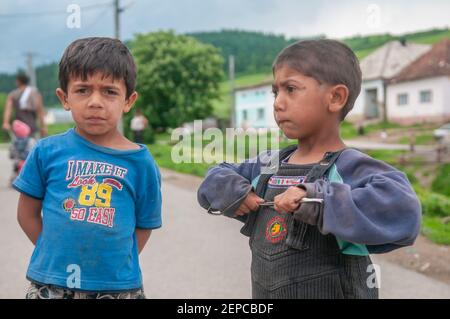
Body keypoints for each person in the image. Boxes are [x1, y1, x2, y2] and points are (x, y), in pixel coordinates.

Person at [197, 39, 421, 299]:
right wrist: (233, 192)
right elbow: (215, 177)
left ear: (335, 97)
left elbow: (404, 210)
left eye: (291, 89)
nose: (278, 103)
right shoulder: (268, 166)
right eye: (275, 92)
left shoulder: (349, 167)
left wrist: (317, 199)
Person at [12, 37, 162, 299]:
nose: (95, 102)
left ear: (128, 100)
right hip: (52, 284)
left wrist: (110, 264)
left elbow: (144, 224)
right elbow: (27, 214)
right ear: (64, 97)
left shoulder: (141, 162)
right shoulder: (46, 152)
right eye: (82, 90)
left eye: (109, 91)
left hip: (117, 288)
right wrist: (56, 253)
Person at [2, 73, 47, 138]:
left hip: (19, 128)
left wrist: (6, 122)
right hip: (32, 127)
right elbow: (40, 111)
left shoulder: (13, 94)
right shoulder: (35, 93)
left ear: (18, 81)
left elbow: (8, 109)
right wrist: (43, 127)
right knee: (32, 146)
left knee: (19, 146)